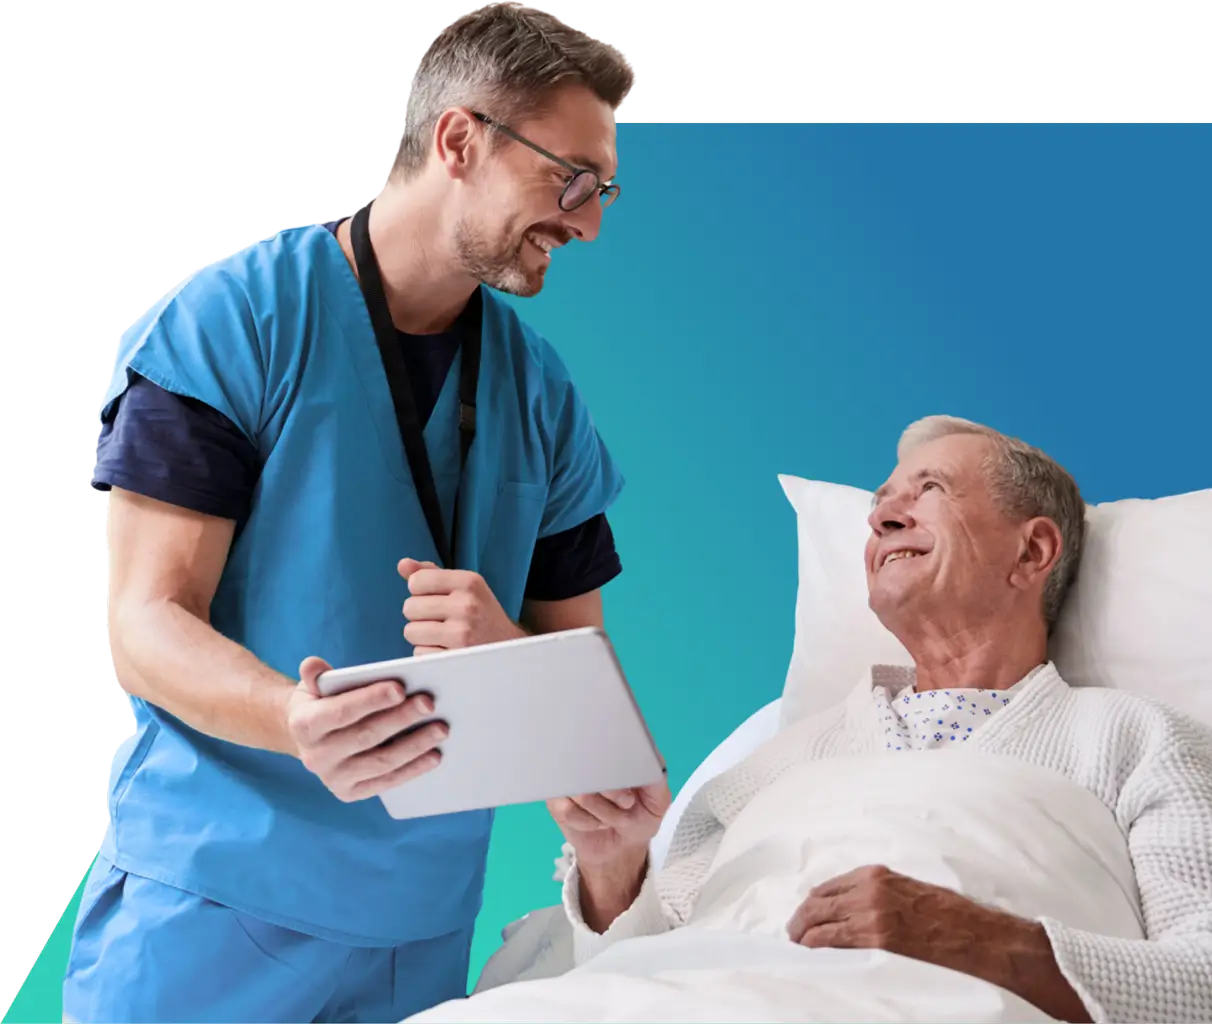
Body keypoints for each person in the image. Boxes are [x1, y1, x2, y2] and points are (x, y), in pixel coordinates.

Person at [71, 4, 637, 1022]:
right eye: (574, 179)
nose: (588, 219)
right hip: (210, 909)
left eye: (603, 190)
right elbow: (145, 622)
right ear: (460, 139)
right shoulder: (235, 322)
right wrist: (296, 718)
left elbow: (585, 702)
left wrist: (503, 647)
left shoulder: (541, 398)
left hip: (416, 941)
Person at [408, 415, 1212, 1024]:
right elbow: (651, 955)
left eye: (927, 490)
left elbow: (1200, 980)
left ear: (1033, 553)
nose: (882, 518)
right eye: (880, 504)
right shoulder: (779, 759)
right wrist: (615, 865)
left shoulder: (1135, 739)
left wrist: (976, 938)